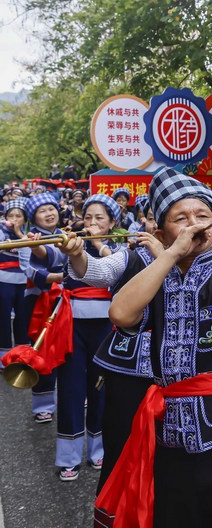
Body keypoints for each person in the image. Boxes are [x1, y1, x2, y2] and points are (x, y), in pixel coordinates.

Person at [97, 167, 212, 527]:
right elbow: (121, 313)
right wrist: (169, 255)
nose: (195, 223)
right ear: (162, 232)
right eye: (180, 218)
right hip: (170, 440)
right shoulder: (156, 279)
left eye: (203, 215)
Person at [52, 194, 123, 481]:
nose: (92, 222)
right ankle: (68, 457)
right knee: (70, 389)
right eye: (88, 217)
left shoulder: (120, 248)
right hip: (72, 324)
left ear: (112, 223)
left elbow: (120, 279)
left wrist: (98, 245)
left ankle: (98, 450)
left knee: (101, 388)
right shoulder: (70, 242)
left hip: (106, 325)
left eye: (99, 218)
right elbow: (48, 260)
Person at [17, 193, 65, 424]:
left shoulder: (66, 235)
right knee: (43, 349)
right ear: (33, 218)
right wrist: (60, 277)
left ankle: (69, 396)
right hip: (40, 301)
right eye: (42, 211)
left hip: (66, 299)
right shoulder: (29, 239)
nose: (49, 214)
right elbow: (30, 271)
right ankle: (43, 404)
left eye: (51, 209)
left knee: (66, 347)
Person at [0, 198, 29, 367]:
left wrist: (19, 233)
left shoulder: (28, 233)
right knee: (3, 317)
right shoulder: (2, 231)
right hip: (4, 278)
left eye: (19, 216)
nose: (15, 219)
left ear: (25, 219)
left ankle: (22, 355)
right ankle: (3, 356)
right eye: (11, 215)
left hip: (24, 280)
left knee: (23, 318)